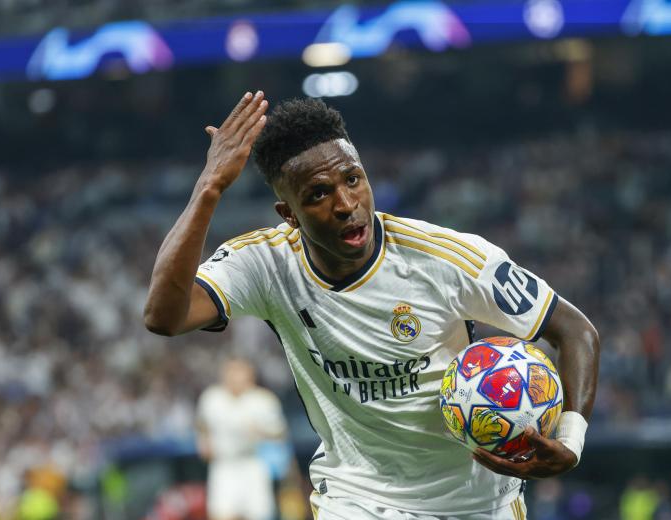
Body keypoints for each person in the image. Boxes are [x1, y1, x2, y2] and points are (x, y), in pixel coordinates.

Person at [144, 91, 600, 519]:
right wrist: (209, 188)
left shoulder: (446, 259)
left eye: (353, 179)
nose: (346, 204)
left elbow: (574, 330)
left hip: (477, 500)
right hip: (358, 498)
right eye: (318, 195)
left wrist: (571, 440)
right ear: (289, 214)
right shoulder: (265, 264)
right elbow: (164, 316)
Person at [196, 357, 287, 520]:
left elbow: (280, 432)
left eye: (240, 371)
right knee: (221, 514)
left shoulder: (262, 399)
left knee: (258, 515)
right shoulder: (212, 397)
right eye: (231, 371)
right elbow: (202, 423)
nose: (235, 377)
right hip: (223, 464)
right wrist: (203, 442)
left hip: (251, 464)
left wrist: (261, 432)